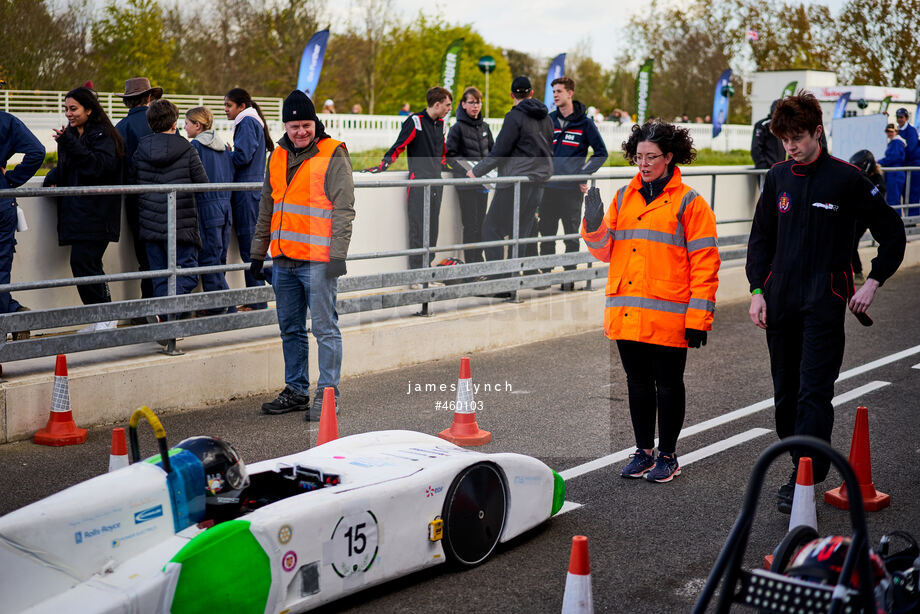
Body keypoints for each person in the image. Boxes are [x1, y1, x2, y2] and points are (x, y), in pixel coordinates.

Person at [745, 93, 905, 513]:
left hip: (825, 298)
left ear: (818, 132)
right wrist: (757, 292)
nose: (790, 146)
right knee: (785, 395)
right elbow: (760, 238)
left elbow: (893, 234)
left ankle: (805, 478)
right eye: (784, 139)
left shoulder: (848, 179)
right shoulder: (777, 177)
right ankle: (799, 462)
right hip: (780, 298)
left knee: (813, 394)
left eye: (797, 138)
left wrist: (872, 281)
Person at [580, 120, 720, 483]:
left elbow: (705, 261)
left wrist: (700, 316)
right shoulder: (624, 197)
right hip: (628, 311)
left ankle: (668, 456)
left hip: (669, 313)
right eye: (638, 156)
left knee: (668, 384)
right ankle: (643, 451)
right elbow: (605, 251)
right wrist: (593, 224)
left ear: (669, 157)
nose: (643, 163)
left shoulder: (690, 203)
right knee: (636, 383)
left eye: (651, 156)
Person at [250, 90, 355, 419]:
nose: (301, 132)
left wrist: (338, 256)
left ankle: (327, 395)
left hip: (319, 262)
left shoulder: (333, 153)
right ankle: (296, 390)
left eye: (306, 125)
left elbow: (344, 210)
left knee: (324, 329)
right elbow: (267, 207)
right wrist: (257, 253)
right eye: (294, 126)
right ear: (286, 125)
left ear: (315, 123)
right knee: (291, 329)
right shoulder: (277, 156)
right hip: (283, 261)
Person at [43, 86, 124, 332]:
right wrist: (52, 177)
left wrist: (68, 142)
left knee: (86, 262)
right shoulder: (73, 135)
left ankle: (107, 316)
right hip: (78, 213)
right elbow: (72, 168)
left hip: (98, 213)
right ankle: (99, 317)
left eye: (74, 109)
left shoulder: (103, 135)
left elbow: (97, 167)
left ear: (89, 109)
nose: (68, 113)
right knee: (82, 264)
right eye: (66, 108)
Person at [466, 76, 553, 275]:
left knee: (491, 229)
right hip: (539, 181)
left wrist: (476, 171)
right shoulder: (547, 118)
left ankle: (499, 280)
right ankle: (513, 279)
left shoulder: (514, 117)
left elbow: (499, 151)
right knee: (521, 232)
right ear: (531, 93)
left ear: (511, 94)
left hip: (517, 181)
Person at [364, 87, 452, 271]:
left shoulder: (442, 124)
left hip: (437, 184)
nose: (449, 108)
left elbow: (443, 154)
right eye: (447, 105)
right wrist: (383, 165)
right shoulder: (415, 121)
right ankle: (415, 272)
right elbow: (399, 146)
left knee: (433, 228)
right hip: (418, 183)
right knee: (418, 228)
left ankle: (427, 269)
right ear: (437, 104)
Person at [132, 99, 207, 303]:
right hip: (182, 224)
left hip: (150, 224)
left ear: (149, 124)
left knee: (159, 277)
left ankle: (163, 320)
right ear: (175, 124)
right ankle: (167, 316)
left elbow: (133, 181)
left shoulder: (141, 149)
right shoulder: (188, 148)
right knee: (188, 274)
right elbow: (203, 184)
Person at [537, 76, 608, 290]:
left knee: (570, 236)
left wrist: (581, 175)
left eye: (559, 91)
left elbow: (600, 153)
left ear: (570, 93)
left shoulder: (585, 124)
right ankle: (545, 277)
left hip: (570, 191)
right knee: (547, 234)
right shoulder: (548, 120)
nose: (556, 95)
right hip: (548, 189)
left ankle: (568, 279)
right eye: (554, 92)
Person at [224, 88, 274, 309]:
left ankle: (289, 289)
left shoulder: (246, 122)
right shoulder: (252, 121)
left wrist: (226, 153)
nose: (225, 110)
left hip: (247, 194)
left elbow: (242, 156)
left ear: (241, 106)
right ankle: (257, 302)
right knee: (252, 249)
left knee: (252, 249)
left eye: (229, 106)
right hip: (251, 192)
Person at [115, 77, 163, 302]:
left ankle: (148, 307)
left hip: (137, 198)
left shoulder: (121, 128)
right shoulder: (163, 122)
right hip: (165, 196)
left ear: (127, 101)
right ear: (149, 97)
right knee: (167, 255)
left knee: (145, 256)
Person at [0, 110, 44, 337]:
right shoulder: (6, 121)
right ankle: (14, 314)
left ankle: (14, 315)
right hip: (2, 199)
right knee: (0, 268)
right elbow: (37, 151)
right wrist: (10, 181)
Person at [185, 106, 234, 311]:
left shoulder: (196, 147)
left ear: (198, 125)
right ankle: (220, 308)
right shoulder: (224, 146)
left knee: (209, 259)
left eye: (187, 123)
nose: (184, 127)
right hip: (225, 206)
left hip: (208, 207)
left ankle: (225, 308)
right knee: (218, 258)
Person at [446, 86, 494, 263]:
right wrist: (468, 171)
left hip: (484, 185)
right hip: (466, 185)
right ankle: (471, 265)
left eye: (478, 102)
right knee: (471, 226)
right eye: (472, 102)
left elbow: (493, 152)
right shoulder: (457, 128)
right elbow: (451, 156)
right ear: (463, 105)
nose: (476, 106)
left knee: (482, 225)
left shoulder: (485, 127)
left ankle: (479, 262)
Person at [847, 149, 886, 280]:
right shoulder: (860, 178)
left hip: (867, 217)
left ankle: (859, 273)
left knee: (851, 244)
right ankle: (853, 272)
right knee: (848, 243)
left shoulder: (876, 179)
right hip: (856, 216)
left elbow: (877, 194)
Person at [894, 107, 920, 213]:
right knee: (904, 193)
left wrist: (897, 156)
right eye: (898, 117)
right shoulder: (897, 130)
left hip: (913, 166)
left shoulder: (911, 130)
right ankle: (907, 217)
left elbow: (911, 148)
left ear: (906, 118)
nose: (899, 119)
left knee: (912, 193)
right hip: (904, 165)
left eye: (901, 117)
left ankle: (912, 219)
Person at [878, 123, 907, 209]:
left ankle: (895, 220)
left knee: (893, 199)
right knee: (893, 199)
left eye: (891, 131)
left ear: (896, 132)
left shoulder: (896, 142)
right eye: (887, 131)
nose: (889, 133)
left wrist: (879, 161)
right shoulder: (895, 142)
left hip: (895, 173)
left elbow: (893, 158)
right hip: (895, 172)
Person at [751, 100, 785, 169]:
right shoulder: (762, 125)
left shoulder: (784, 125)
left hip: (780, 169)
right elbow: (756, 147)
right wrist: (762, 166)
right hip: (766, 170)